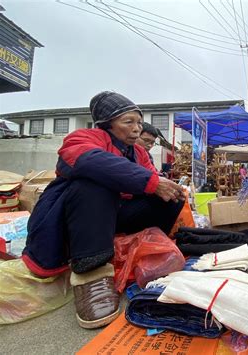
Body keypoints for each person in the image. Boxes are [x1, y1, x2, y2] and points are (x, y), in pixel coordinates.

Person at [23, 91, 186, 329]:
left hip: (113, 217)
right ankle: (92, 272)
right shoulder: (82, 138)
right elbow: (92, 161)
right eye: (128, 122)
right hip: (76, 220)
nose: (136, 129)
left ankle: (137, 248)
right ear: (107, 124)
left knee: (170, 196)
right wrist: (151, 182)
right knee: (93, 181)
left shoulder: (139, 152)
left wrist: (162, 186)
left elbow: (151, 179)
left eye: (139, 123)